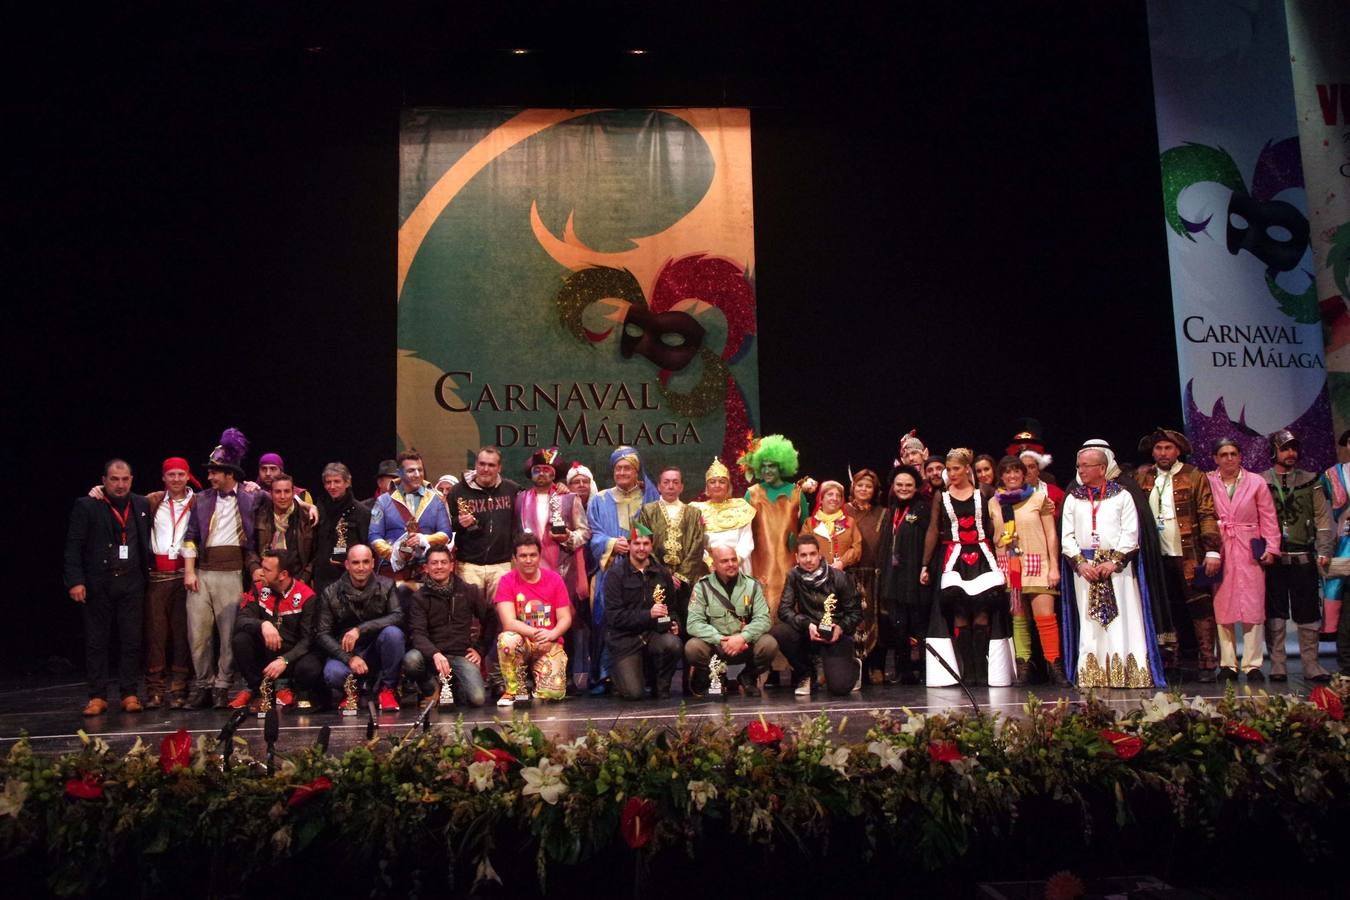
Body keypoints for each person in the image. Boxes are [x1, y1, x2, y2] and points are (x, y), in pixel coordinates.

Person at [1059, 447, 1166, 688]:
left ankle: (1127, 675)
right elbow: (1066, 537)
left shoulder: (1122, 496)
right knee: (1090, 623)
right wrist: (1080, 563)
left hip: (1118, 570)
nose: (1081, 470)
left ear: (1101, 468)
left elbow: (1131, 533)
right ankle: (1094, 675)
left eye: (1086, 465)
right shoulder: (1074, 498)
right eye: (1079, 466)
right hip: (1085, 571)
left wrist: (1114, 562)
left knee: (1123, 620)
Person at [182, 428, 266, 709]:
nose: (209, 477)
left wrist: (307, 505)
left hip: (231, 572)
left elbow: (286, 497)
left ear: (229, 473)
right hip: (202, 573)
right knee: (198, 634)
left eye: (215, 472)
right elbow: (191, 536)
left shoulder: (250, 497)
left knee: (229, 634)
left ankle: (222, 685)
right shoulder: (202, 499)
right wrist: (189, 570)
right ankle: (203, 683)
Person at [1133, 428, 1222, 682]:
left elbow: (1206, 512)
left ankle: (1206, 661)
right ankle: (1169, 660)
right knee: (1165, 608)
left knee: (1199, 606)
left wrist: (1212, 549)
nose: (1163, 453)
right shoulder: (1143, 477)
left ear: (1178, 451)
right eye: (1159, 448)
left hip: (1188, 553)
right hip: (1156, 555)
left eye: (1168, 448)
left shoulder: (1194, 475)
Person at [64, 459, 152, 715]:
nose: (120, 484)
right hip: (98, 583)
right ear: (103, 480)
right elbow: (73, 546)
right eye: (114, 479)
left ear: (132, 480)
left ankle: (129, 693)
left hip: (132, 582)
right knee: (96, 641)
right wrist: (76, 581)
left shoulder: (142, 503)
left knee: (132, 640)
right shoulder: (87, 505)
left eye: (125, 479)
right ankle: (97, 695)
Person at [920, 448, 1013, 687]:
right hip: (955, 557)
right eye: (948, 470)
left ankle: (981, 668)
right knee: (960, 613)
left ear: (966, 469)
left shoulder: (984, 492)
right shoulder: (942, 496)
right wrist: (925, 564)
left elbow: (996, 524)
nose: (951, 474)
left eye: (956, 469)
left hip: (982, 556)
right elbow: (933, 529)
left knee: (982, 612)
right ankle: (968, 669)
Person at [1261, 429, 1334, 682]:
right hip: (1274, 559)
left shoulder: (1311, 480)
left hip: (1303, 557)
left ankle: (1311, 664)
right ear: (1274, 451)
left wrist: (1324, 550)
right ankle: (1278, 663)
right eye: (1285, 449)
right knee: (1275, 612)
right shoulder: (1261, 481)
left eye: (1294, 448)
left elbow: (1323, 519)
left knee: (1308, 611)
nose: (1291, 454)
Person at [514, 447, 589, 689]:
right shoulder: (520, 499)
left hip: (562, 570)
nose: (541, 474)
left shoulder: (569, 499)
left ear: (554, 473)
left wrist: (567, 537)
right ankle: (531, 675)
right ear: (531, 474)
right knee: (530, 619)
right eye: (537, 470)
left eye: (546, 470)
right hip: (528, 571)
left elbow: (585, 532)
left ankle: (565, 676)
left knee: (565, 621)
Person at [587, 446, 661, 691]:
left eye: (627, 467)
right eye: (618, 468)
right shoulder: (599, 499)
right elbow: (593, 533)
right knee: (605, 618)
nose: (621, 472)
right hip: (611, 570)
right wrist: (610, 543)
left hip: (643, 569)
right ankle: (605, 675)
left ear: (636, 470)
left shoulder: (650, 499)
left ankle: (644, 675)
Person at [1207, 438, 1280, 681]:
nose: (1229, 458)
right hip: (1220, 548)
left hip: (1250, 547)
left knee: (1253, 605)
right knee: (1222, 604)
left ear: (1240, 456)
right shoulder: (1207, 481)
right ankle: (1227, 663)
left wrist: (1271, 547)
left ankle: (1252, 664)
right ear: (1216, 458)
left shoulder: (1256, 482)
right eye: (1224, 454)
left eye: (1233, 453)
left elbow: (1268, 516)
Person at [989, 455, 1066, 686]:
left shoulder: (1038, 498)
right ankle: (1024, 667)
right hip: (1010, 567)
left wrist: (1054, 566)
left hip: (1038, 563)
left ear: (1024, 475)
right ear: (1001, 476)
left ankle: (1054, 666)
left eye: (1016, 472)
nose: (1012, 476)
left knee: (1046, 618)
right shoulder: (994, 502)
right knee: (1019, 619)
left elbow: (1051, 534)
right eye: (1007, 472)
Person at [230, 549, 326, 711]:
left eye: (267, 570)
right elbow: (241, 620)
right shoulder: (259, 588)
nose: (260, 573)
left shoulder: (306, 596)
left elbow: (308, 639)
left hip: (291, 654)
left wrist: (285, 659)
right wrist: (263, 624)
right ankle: (259, 691)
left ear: (282, 575)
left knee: (310, 666)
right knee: (241, 639)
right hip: (265, 652)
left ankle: (291, 689)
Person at [315, 544, 405, 713]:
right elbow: (322, 634)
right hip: (345, 653)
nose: (361, 568)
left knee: (394, 634)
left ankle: (387, 689)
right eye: (356, 563)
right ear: (347, 565)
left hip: (376, 650)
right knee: (332, 673)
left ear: (372, 563)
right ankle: (352, 692)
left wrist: (359, 629)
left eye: (365, 562)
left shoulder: (387, 585)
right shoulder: (330, 592)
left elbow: (398, 616)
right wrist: (349, 658)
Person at [770, 534, 861, 696]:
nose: (808, 559)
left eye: (812, 554)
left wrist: (840, 628)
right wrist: (807, 624)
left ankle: (854, 665)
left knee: (840, 688)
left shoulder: (839, 577)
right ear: (797, 557)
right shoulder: (793, 576)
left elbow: (855, 613)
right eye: (803, 555)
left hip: (835, 635)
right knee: (780, 632)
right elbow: (784, 610)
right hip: (809, 633)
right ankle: (806, 673)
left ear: (819, 554)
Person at [739, 434, 816, 620]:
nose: (767, 470)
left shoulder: (797, 493)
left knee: (788, 611)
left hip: (788, 564)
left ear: (781, 466)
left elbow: (805, 531)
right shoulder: (752, 494)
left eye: (771, 465)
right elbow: (743, 532)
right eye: (763, 465)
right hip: (760, 563)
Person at [403, 545, 490, 708]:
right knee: (411, 660)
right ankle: (431, 688)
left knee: (478, 699)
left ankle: (453, 685)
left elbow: (491, 619)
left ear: (452, 566)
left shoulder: (468, 591)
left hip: (460, 655)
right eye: (434, 563)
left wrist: (480, 649)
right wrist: (435, 653)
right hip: (431, 656)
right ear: (426, 568)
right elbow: (418, 634)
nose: (439, 567)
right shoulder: (419, 598)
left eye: (443, 562)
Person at [143, 457, 199, 709]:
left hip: (184, 574)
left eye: (180, 474)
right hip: (157, 577)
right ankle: (155, 689)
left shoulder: (199, 501)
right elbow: (118, 501)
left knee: (181, 635)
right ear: (164, 478)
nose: (176, 479)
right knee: (156, 635)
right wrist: (98, 491)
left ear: (188, 476)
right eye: (171, 475)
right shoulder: (152, 501)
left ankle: (179, 689)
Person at [685, 545, 778, 697]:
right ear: (714, 565)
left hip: (744, 645)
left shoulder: (752, 585)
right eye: (724, 561)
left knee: (769, 644)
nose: (731, 564)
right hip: (716, 646)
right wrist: (720, 640)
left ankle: (748, 677)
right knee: (693, 648)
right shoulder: (702, 587)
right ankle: (717, 676)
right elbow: (693, 623)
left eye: (734, 559)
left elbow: (764, 619)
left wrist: (743, 637)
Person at [603, 524, 682, 700]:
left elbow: (672, 608)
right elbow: (614, 617)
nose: (641, 548)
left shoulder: (662, 573)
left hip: (653, 634)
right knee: (634, 694)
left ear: (651, 546)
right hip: (625, 640)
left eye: (646, 543)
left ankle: (661, 686)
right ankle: (620, 677)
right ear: (629, 546)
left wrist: (675, 623)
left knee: (673, 643)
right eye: (637, 543)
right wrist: (648, 615)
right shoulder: (615, 575)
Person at [494, 535, 573, 705]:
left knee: (553, 694)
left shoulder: (555, 580)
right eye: (523, 556)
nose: (528, 560)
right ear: (515, 558)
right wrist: (538, 634)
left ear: (540, 555)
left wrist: (552, 634)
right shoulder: (506, 581)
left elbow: (565, 618)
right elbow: (509, 622)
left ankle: (539, 685)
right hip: (522, 641)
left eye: (533, 555)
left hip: (549, 643)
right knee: (507, 639)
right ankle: (515, 690)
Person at [369, 448, 454, 590]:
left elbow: (446, 534)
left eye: (420, 470)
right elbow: (373, 536)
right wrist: (396, 554)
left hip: (427, 572)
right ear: (400, 473)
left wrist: (424, 539)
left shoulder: (436, 499)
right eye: (411, 471)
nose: (417, 475)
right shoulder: (383, 502)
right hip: (392, 572)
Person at [449, 446, 521, 607]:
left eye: (491, 465)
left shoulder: (512, 489)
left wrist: (560, 487)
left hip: (501, 566)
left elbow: (534, 499)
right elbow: (447, 526)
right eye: (482, 464)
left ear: (499, 468)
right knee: (469, 616)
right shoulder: (457, 491)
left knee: (500, 616)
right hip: (468, 565)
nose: (485, 469)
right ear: (476, 464)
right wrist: (459, 523)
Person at [844, 469, 884, 683]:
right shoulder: (842, 511)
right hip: (848, 575)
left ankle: (874, 667)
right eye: (860, 485)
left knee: (874, 621)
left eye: (868, 486)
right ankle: (848, 668)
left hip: (873, 577)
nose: (864, 489)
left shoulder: (883, 513)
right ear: (853, 487)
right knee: (852, 623)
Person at [313, 462, 373, 596]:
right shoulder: (320, 509)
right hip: (322, 579)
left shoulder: (362, 512)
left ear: (347, 482)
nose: (332, 486)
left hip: (350, 579)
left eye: (337, 481)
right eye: (328, 482)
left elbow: (367, 546)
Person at [691, 456, 755, 575]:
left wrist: (734, 562)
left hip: (738, 566)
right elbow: (695, 543)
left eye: (722, 481)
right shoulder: (696, 510)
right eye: (712, 482)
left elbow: (746, 542)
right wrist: (710, 563)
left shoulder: (741, 507)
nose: (717, 485)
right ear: (707, 487)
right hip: (709, 567)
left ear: (728, 486)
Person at [1319, 430, 1350, 674]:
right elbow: (1323, 514)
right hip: (1344, 546)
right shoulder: (1332, 475)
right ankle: (1346, 662)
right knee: (1343, 601)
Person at [252, 473, 316, 586]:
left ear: (293, 493)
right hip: (265, 580)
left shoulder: (307, 518)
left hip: (298, 581)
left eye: (287, 491)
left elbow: (315, 553)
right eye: (277, 492)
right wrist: (255, 568)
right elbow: (250, 548)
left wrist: (304, 578)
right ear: (271, 494)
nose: (282, 496)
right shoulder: (259, 516)